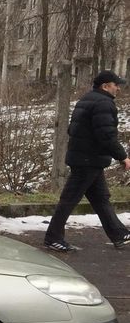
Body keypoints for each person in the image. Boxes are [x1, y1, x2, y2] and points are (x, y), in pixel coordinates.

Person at [44, 69, 130, 251]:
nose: (118, 89)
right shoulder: (104, 104)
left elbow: (72, 130)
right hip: (88, 160)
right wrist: (122, 156)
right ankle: (53, 238)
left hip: (86, 158)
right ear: (105, 86)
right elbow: (106, 135)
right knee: (69, 199)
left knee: (101, 199)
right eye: (116, 85)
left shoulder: (86, 100)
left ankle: (119, 234)